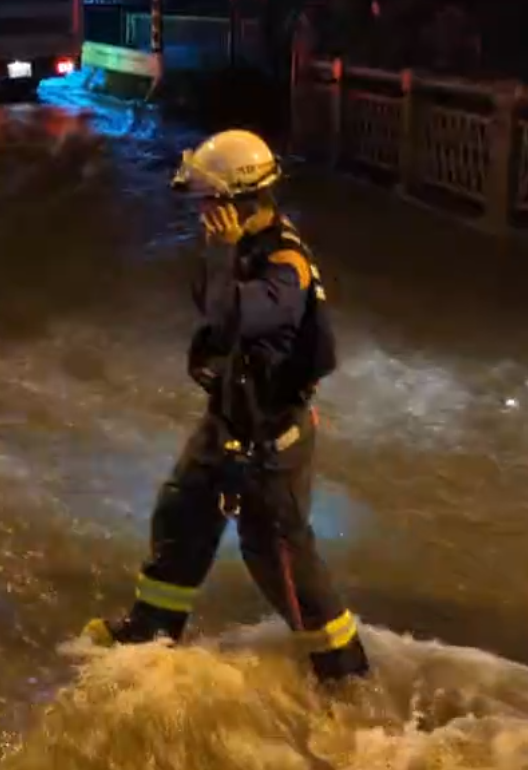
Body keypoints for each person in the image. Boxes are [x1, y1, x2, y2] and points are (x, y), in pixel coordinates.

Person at [83, 129, 371, 684]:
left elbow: (227, 318)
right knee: (181, 510)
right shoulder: (247, 248)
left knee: (278, 555)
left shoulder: (287, 270)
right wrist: (221, 253)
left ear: (238, 202)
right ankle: (152, 630)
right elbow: (208, 304)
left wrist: (220, 254)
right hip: (232, 420)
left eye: (210, 203)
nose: (202, 212)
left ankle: (343, 672)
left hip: (272, 440)